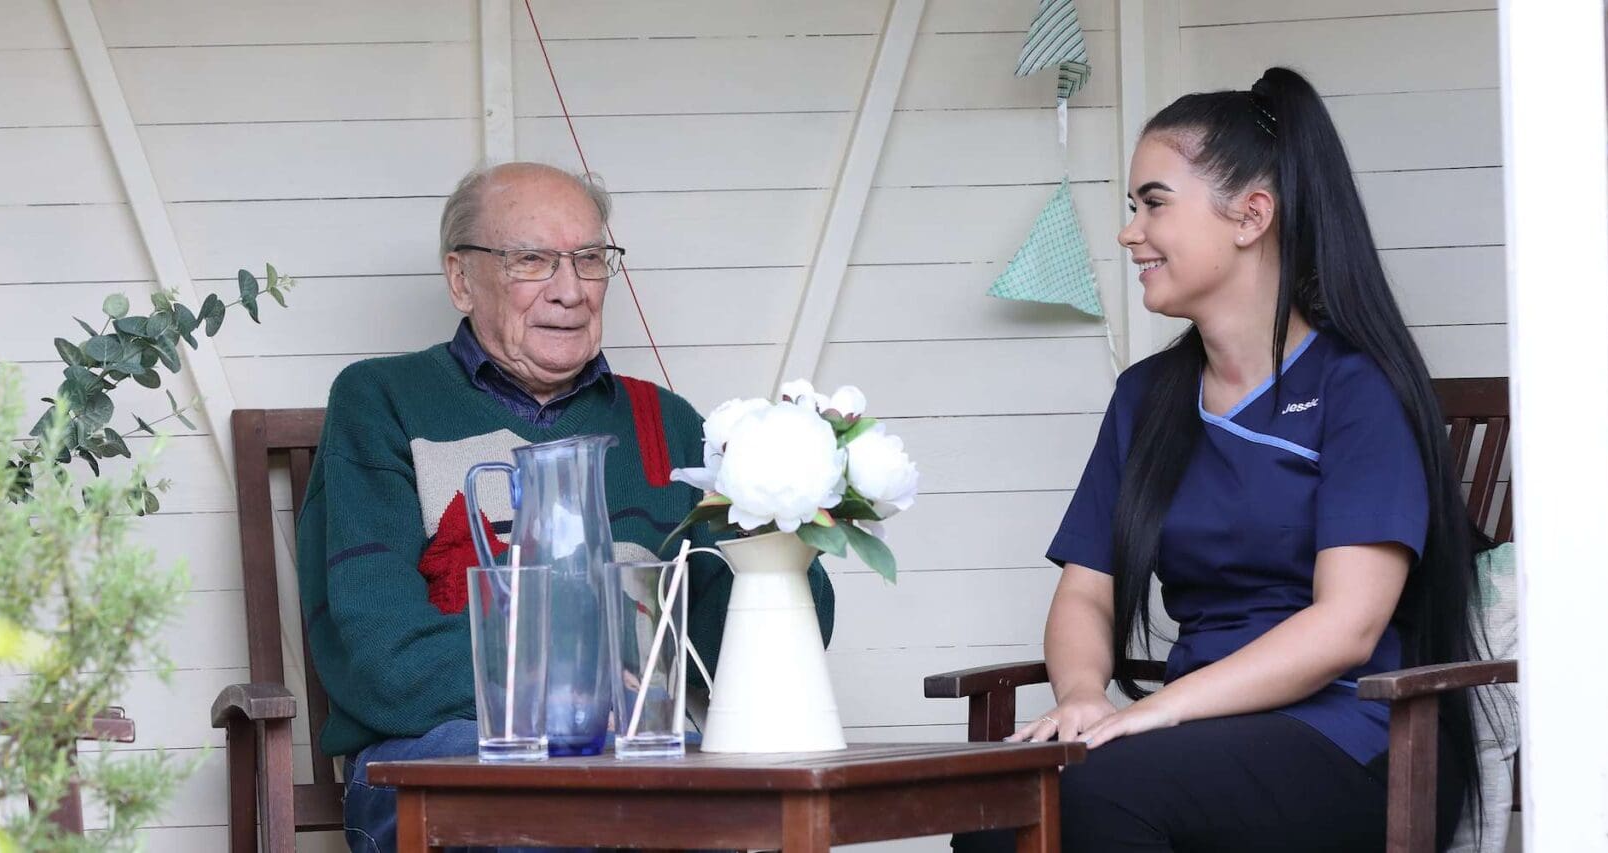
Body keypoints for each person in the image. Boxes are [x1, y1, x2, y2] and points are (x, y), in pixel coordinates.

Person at [965, 68, 1483, 852]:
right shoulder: (1147, 397)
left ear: (1251, 215)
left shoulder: (1357, 388)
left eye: (1154, 202)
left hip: (1358, 733)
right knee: (997, 819)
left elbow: (1347, 626)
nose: (1129, 231)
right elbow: (1086, 593)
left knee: (1101, 801)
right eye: (1132, 207)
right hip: (1196, 734)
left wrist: (1158, 710)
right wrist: (1082, 696)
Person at [294, 162, 836, 853]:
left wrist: (783, 524)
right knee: (559, 826)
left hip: (643, 774)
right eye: (532, 261)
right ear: (462, 279)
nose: (571, 291)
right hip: (441, 765)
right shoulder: (381, 402)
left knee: (741, 812)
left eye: (589, 258)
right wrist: (584, 688)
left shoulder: (662, 422)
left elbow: (755, 653)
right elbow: (382, 660)